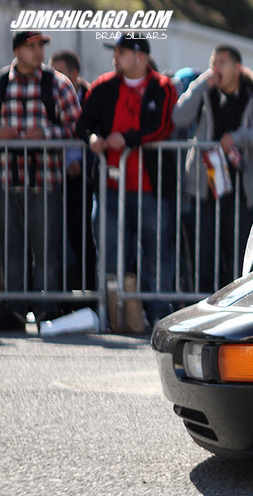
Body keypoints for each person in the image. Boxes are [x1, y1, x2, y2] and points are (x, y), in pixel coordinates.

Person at [76, 35, 177, 326]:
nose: (114, 57)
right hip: (110, 186)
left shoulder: (163, 87)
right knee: (108, 250)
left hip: (151, 186)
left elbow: (162, 127)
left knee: (155, 253)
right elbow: (83, 123)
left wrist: (127, 139)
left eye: (119, 52)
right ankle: (110, 313)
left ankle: (158, 315)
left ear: (139, 56)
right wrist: (92, 138)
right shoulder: (103, 85)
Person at [172, 44, 253, 292]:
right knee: (203, 255)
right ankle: (200, 310)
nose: (215, 68)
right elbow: (179, 117)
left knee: (238, 254)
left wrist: (238, 137)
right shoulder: (205, 89)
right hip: (204, 187)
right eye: (213, 62)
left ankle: (235, 307)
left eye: (222, 62)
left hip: (241, 188)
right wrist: (201, 84)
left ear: (237, 67)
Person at [0, 31, 81, 330]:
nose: (38, 52)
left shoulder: (57, 83)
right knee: (11, 248)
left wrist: (45, 134)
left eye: (41, 47)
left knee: (47, 249)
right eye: (31, 47)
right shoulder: (1, 84)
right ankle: (14, 309)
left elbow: (76, 127)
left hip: (46, 179)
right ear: (17, 50)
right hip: (7, 180)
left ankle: (47, 309)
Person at [49, 49, 96, 298]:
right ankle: (59, 301)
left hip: (84, 182)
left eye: (60, 72)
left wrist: (82, 163)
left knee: (83, 240)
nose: (55, 78)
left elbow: (92, 137)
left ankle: (88, 299)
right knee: (52, 241)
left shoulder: (91, 98)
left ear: (75, 74)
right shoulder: (47, 95)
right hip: (52, 178)